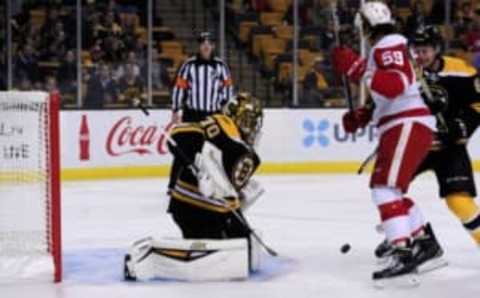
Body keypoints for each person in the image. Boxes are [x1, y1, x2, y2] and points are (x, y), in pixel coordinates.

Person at [332, 2, 442, 285]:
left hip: (406, 122)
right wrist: (364, 114)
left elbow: (396, 84)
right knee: (392, 191)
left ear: (366, 25)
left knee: (383, 189)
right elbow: (389, 93)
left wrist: (357, 68)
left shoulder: (389, 44)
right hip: (406, 122)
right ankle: (424, 243)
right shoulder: (391, 45)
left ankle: (402, 252)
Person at [124, 93, 264, 281]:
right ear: (235, 116)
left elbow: (229, 186)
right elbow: (177, 137)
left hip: (218, 210)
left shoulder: (247, 152)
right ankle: (150, 255)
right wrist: (201, 172)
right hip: (191, 206)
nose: (252, 127)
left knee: (244, 248)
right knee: (216, 257)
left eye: (254, 122)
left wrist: (241, 196)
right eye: (248, 120)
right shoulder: (218, 125)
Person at [408, 25, 480, 249]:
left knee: (458, 201)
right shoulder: (406, 72)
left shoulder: (460, 71)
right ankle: (409, 237)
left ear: (437, 49)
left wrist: (461, 127)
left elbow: (477, 105)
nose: (420, 56)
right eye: (416, 51)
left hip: (451, 147)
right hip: (416, 145)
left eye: (425, 51)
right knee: (388, 190)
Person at [168, 31, 234, 192]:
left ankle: (219, 186)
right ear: (199, 46)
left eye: (209, 42)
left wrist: (226, 110)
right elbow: (179, 88)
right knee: (184, 150)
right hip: (192, 114)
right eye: (203, 43)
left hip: (213, 116)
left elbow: (227, 89)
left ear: (213, 46)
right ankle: (174, 184)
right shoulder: (188, 65)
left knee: (216, 153)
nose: (206, 45)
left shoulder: (220, 66)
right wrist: (176, 109)